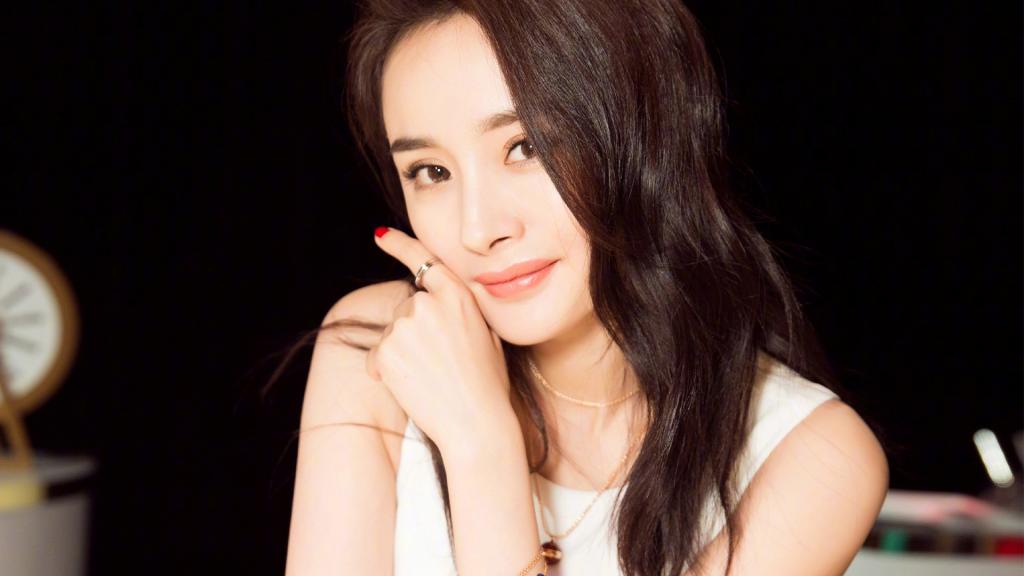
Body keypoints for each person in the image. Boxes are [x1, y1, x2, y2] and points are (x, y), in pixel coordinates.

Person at [282, 1, 890, 575]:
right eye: (431, 171)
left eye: (526, 147)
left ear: (645, 135)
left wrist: (482, 450)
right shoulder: (379, 350)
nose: (478, 230)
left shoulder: (811, 456)